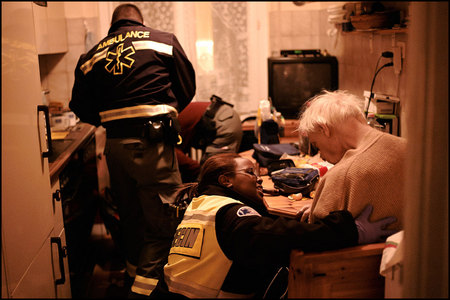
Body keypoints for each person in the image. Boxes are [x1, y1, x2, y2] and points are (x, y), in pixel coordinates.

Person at [69, 3, 196, 297]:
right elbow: (187, 87)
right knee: (165, 223)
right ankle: (144, 293)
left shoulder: (92, 56)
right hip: (153, 146)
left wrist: (110, 118)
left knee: (131, 219)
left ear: (113, 25)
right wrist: (164, 109)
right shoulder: (162, 40)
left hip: (115, 146)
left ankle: (132, 277)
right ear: (140, 21)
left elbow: (80, 105)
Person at [150, 153, 397, 298]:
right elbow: (284, 237)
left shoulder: (200, 206)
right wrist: (350, 230)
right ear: (226, 181)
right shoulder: (232, 214)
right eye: (250, 172)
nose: (258, 178)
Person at [297, 90, 406, 231]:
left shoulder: (341, 176)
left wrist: (322, 202)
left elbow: (320, 236)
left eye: (316, 144)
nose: (321, 155)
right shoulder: (409, 148)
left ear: (324, 129)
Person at [176, 95, 243, 182]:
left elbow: (192, 166)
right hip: (223, 117)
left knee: (212, 173)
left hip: (222, 123)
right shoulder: (166, 118)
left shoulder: (160, 141)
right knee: (216, 174)